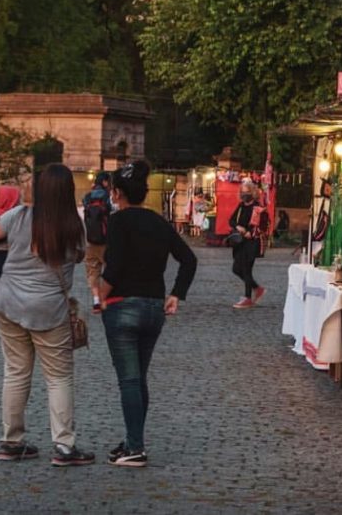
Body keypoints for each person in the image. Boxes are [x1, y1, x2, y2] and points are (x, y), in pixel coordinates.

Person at [0, 163, 94, 466]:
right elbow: (80, 255)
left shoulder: (18, 216)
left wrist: (7, 246)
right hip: (48, 309)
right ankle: (65, 446)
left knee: (15, 372)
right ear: (69, 191)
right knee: (58, 378)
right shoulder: (74, 226)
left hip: (8, 302)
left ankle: (12, 442)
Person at [99, 160, 197, 467]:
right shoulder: (159, 222)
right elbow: (189, 259)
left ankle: (136, 448)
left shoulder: (118, 222)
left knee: (129, 380)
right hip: (154, 306)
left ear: (116, 193)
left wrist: (99, 294)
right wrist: (176, 293)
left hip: (122, 305)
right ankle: (132, 440)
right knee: (139, 378)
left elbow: (113, 267)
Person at [228, 180, 269, 309]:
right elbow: (231, 220)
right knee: (236, 269)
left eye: (247, 192)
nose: (245, 194)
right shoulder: (241, 206)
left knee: (246, 269)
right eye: (243, 192)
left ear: (253, 192)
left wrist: (250, 232)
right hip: (239, 242)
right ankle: (257, 288)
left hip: (252, 243)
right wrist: (238, 227)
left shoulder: (258, 208)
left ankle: (247, 298)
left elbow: (264, 225)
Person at [82, 171, 112, 312]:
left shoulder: (87, 197)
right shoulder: (109, 197)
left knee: (93, 271)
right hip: (107, 241)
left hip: (90, 240)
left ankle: (96, 302)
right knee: (110, 269)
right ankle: (106, 299)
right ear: (105, 182)